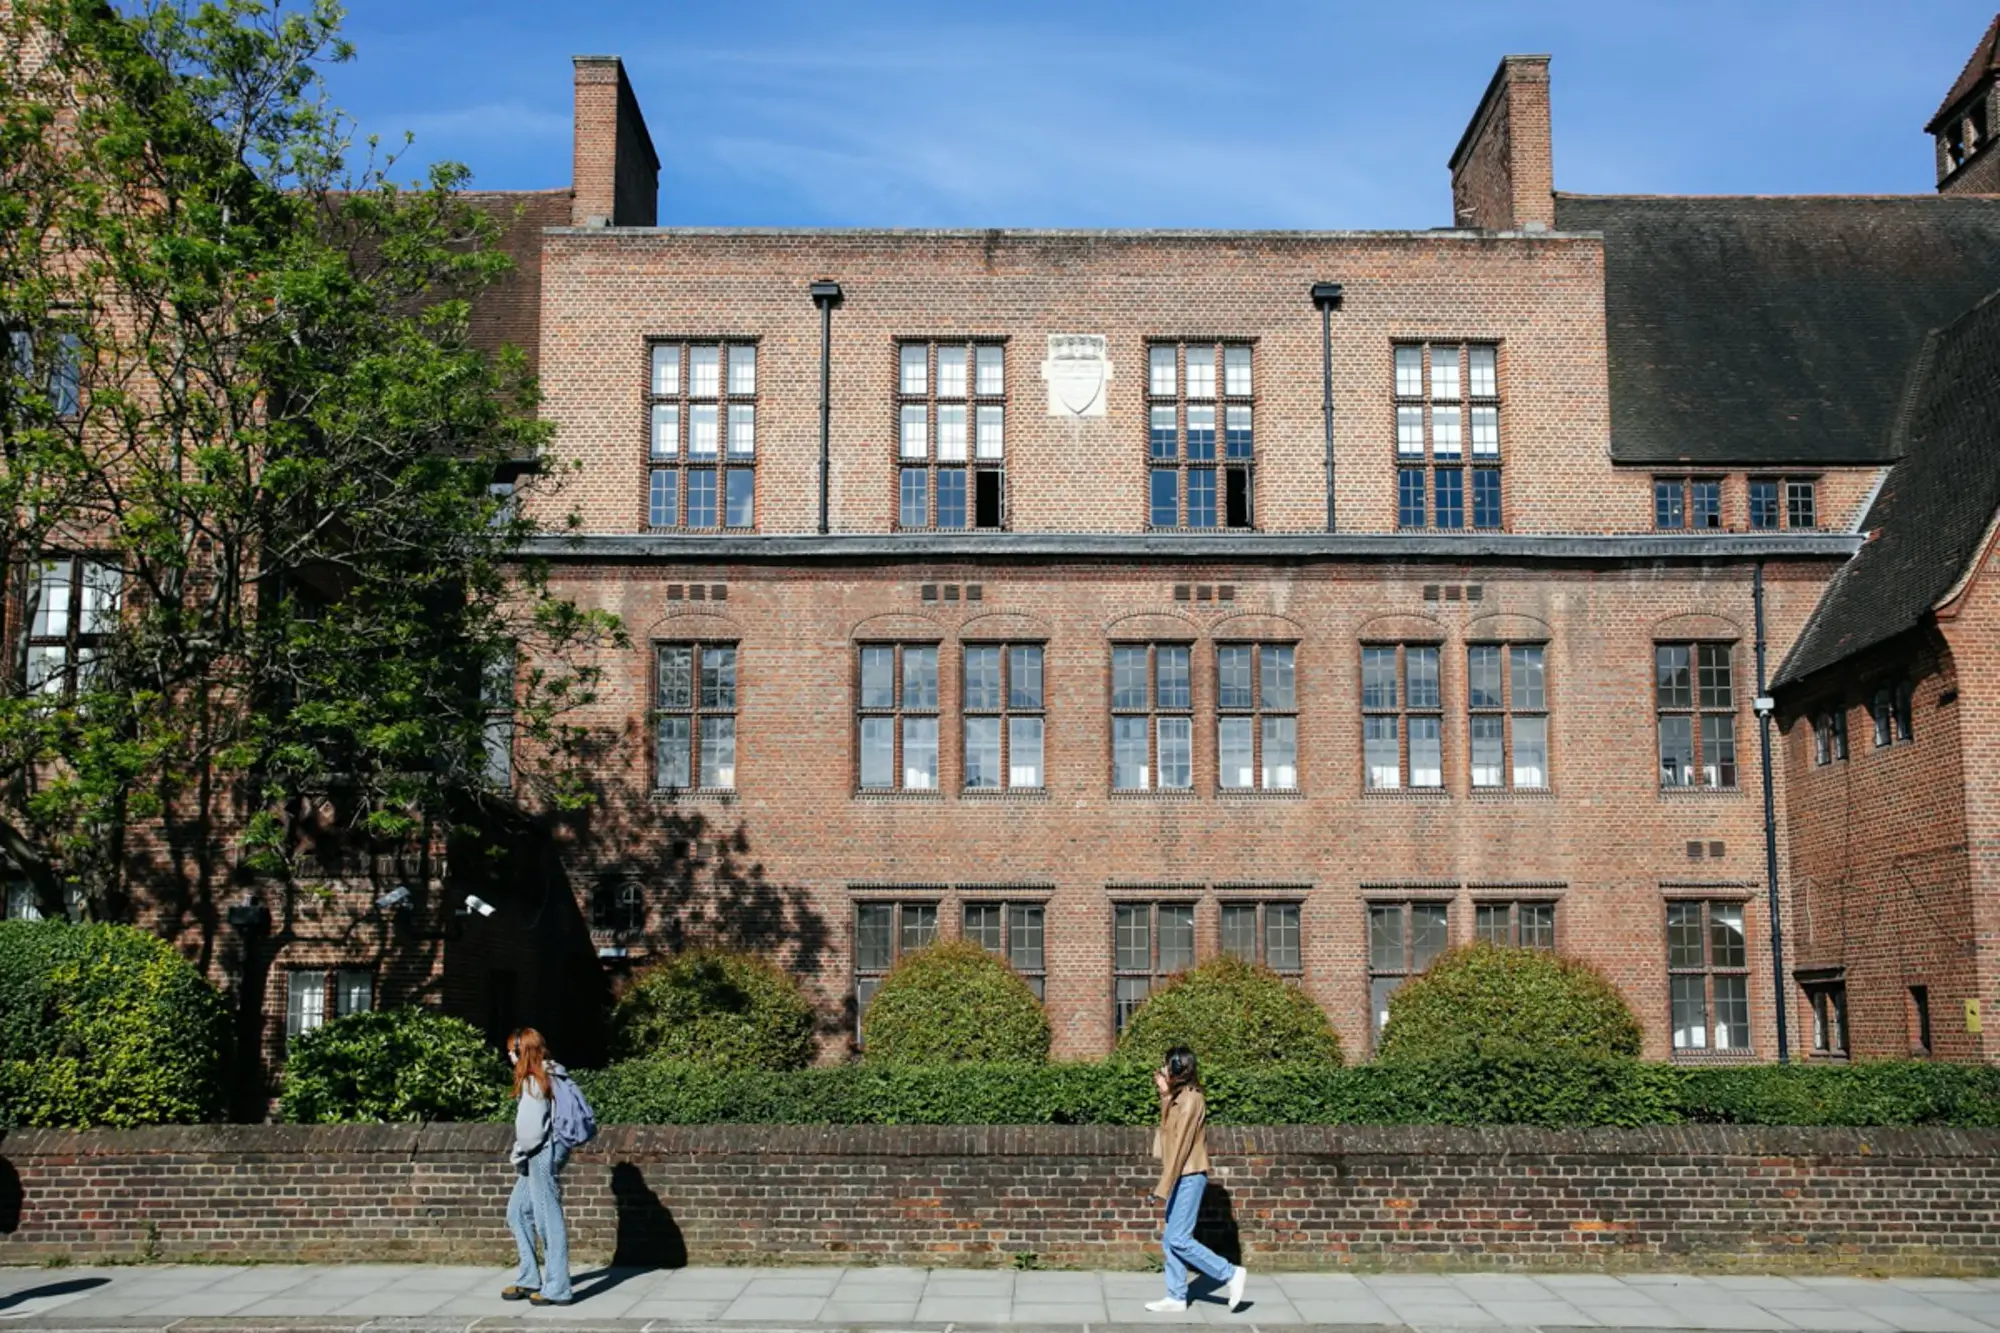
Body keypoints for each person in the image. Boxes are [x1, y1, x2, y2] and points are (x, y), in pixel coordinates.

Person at [1146, 1046, 1247, 1314]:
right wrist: (1165, 1095)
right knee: (1170, 1238)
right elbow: (1168, 1131)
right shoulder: (1179, 1097)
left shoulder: (1192, 1100)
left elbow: (1180, 1145)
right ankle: (1176, 1296)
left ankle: (1229, 1273)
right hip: (1180, 1173)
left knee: (1178, 1238)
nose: (1165, 1069)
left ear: (1180, 1068)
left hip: (1189, 1175)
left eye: (1168, 1065)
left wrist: (1163, 1185)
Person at [500, 1027, 573, 1306]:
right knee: (517, 1212)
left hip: (542, 1154)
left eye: (511, 1050)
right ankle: (530, 1277)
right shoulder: (551, 1073)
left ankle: (558, 1288)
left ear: (522, 1051)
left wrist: (517, 1156)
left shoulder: (535, 1081)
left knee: (547, 1221)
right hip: (545, 1152)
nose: (509, 1055)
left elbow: (529, 1134)